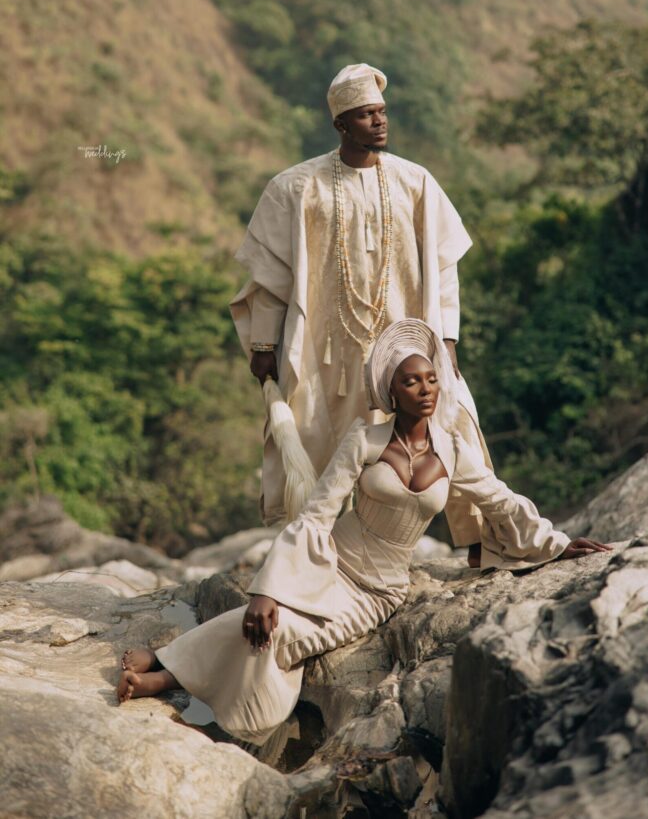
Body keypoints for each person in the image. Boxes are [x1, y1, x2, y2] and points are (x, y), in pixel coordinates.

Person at [116, 319, 610, 745]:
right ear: (391, 391)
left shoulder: (454, 450)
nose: (425, 389)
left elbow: (500, 501)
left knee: (281, 635)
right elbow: (316, 514)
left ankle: (164, 672)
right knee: (262, 614)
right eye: (411, 382)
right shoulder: (365, 440)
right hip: (331, 559)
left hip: (379, 589)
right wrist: (269, 587)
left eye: (431, 379)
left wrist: (558, 545)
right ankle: (163, 672)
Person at [230, 62, 484, 533]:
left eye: (382, 112)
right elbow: (271, 280)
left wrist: (447, 338)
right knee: (316, 438)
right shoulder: (295, 188)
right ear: (341, 124)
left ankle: (479, 537)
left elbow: (445, 267)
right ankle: (311, 543)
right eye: (367, 114)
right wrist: (264, 346)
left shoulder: (416, 182)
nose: (380, 121)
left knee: (443, 430)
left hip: (402, 345)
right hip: (322, 350)